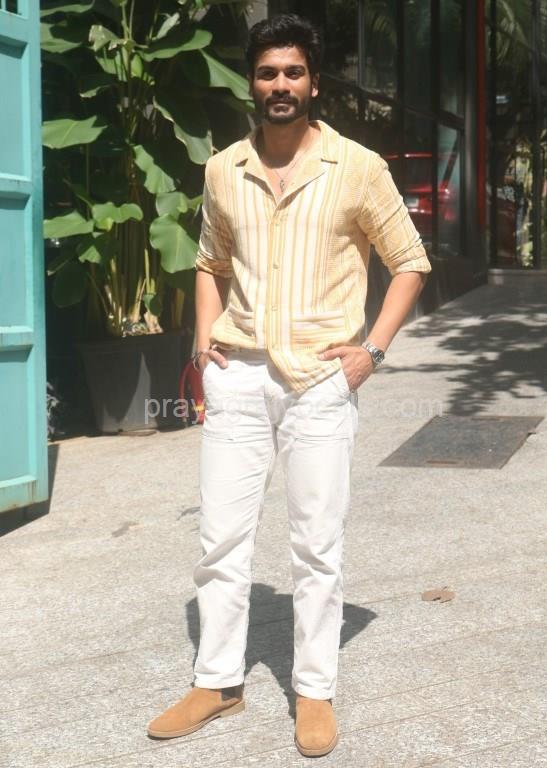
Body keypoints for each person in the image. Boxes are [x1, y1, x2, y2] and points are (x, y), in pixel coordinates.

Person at [147, 13, 431, 758]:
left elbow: (409, 262)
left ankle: (313, 690)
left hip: (318, 380)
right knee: (220, 539)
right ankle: (218, 682)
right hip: (237, 375)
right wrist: (202, 344)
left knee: (315, 545)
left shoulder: (355, 167)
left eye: (293, 73)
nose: (281, 85)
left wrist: (371, 351)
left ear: (313, 82)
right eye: (268, 73)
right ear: (252, 82)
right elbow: (209, 262)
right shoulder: (223, 169)